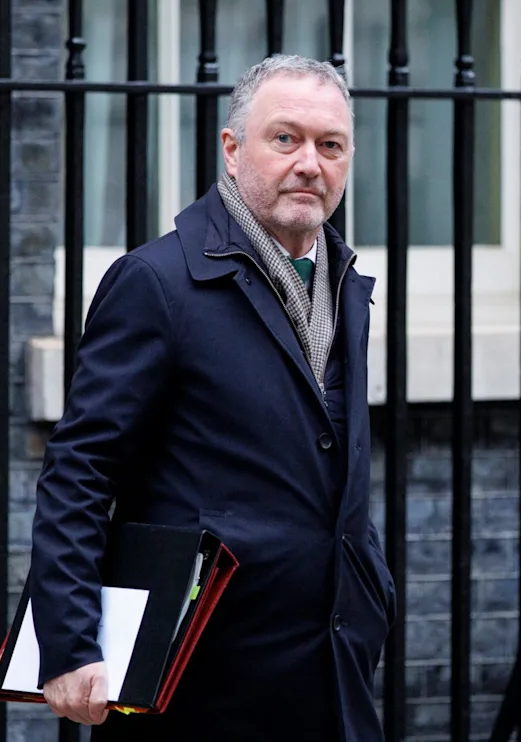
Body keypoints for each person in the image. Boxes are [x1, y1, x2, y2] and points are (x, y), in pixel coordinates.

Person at [29, 54, 396, 742]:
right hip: (201, 685)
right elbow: (79, 470)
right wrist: (70, 643)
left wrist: (372, 588)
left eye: (330, 145)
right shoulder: (156, 283)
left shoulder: (345, 286)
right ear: (232, 149)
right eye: (285, 139)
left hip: (331, 673)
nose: (309, 164)